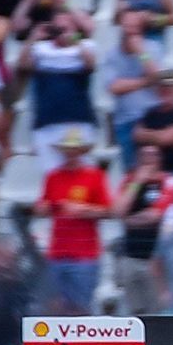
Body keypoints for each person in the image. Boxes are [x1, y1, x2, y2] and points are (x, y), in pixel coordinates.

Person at [33, 129, 110, 316]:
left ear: (80, 152)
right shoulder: (53, 177)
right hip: (57, 252)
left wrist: (83, 210)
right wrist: (41, 208)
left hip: (84, 255)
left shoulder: (94, 176)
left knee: (81, 309)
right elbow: (43, 204)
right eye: (67, 149)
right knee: (54, 307)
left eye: (74, 149)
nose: (70, 153)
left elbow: (108, 210)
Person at [18, 11, 98, 163]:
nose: (61, 30)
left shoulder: (85, 46)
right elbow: (22, 65)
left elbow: (91, 65)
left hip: (78, 120)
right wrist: (33, 37)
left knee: (82, 172)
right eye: (58, 27)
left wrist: (74, 39)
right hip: (46, 122)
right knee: (52, 174)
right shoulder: (41, 49)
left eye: (66, 26)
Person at [113, 145, 173, 316]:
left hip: (155, 258)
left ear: (160, 158)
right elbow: (119, 210)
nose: (149, 159)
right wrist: (137, 182)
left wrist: (130, 220)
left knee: (155, 309)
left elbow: (155, 215)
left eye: (153, 155)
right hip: (130, 255)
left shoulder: (168, 181)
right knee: (133, 311)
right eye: (145, 155)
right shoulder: (130, 181)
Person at [104, 10, 165, 170]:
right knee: (131, 171)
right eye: (127, 27)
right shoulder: (111, 55)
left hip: (151, 119)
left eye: (135, 28)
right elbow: (114, 87)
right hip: (125, 122)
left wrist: (142, 53)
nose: (131, 32)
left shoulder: (153, 48)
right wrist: (145, 81)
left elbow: (156, 76)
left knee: (156, 169)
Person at [134, 74, 173, 175]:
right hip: (151, 171)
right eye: (163, 87)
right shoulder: (150, 113)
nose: (165, 90)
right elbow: (137, 135)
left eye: (169, 87)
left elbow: (167, 139)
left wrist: (149, 135)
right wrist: (165, 136)